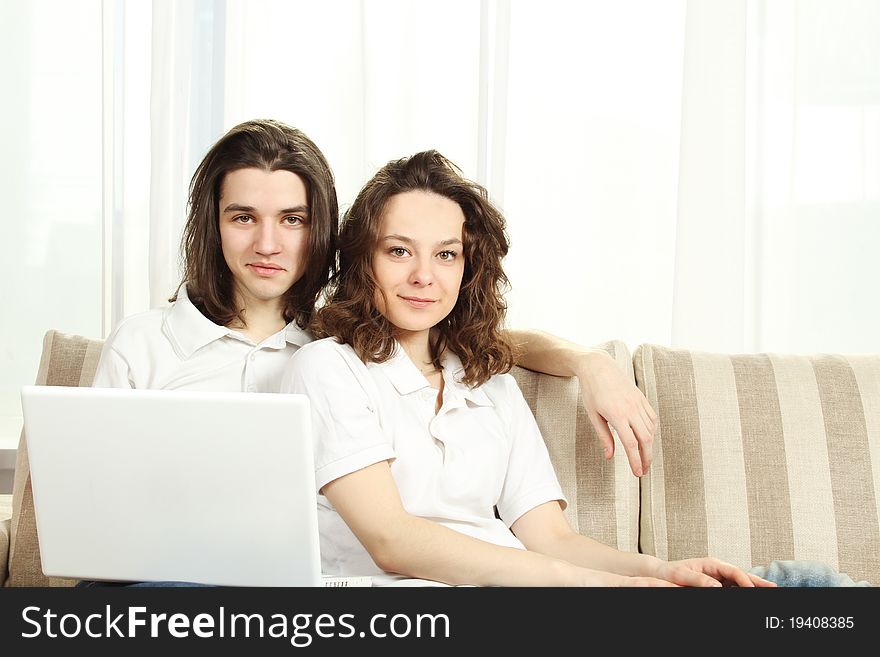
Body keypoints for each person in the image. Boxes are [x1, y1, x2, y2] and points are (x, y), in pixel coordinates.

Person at [280, 150, 778, 587]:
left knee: (801, 584)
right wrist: (590, 586)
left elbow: (551, 539)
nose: (423, 276)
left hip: (519, 594)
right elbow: (392, 541)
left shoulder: (491, 385)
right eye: (399, 251)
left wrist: (661, 571)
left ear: (468, 270)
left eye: (446, 255)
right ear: (363, 260)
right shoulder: (326, 367)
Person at [93, 118, 657, 475]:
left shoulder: (337, 342)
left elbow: (484, 339)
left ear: (320, 232)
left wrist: (590, 362)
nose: (267, 243)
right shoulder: (142, 344)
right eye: (243, 217)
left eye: (292, 219)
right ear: (212, 226)